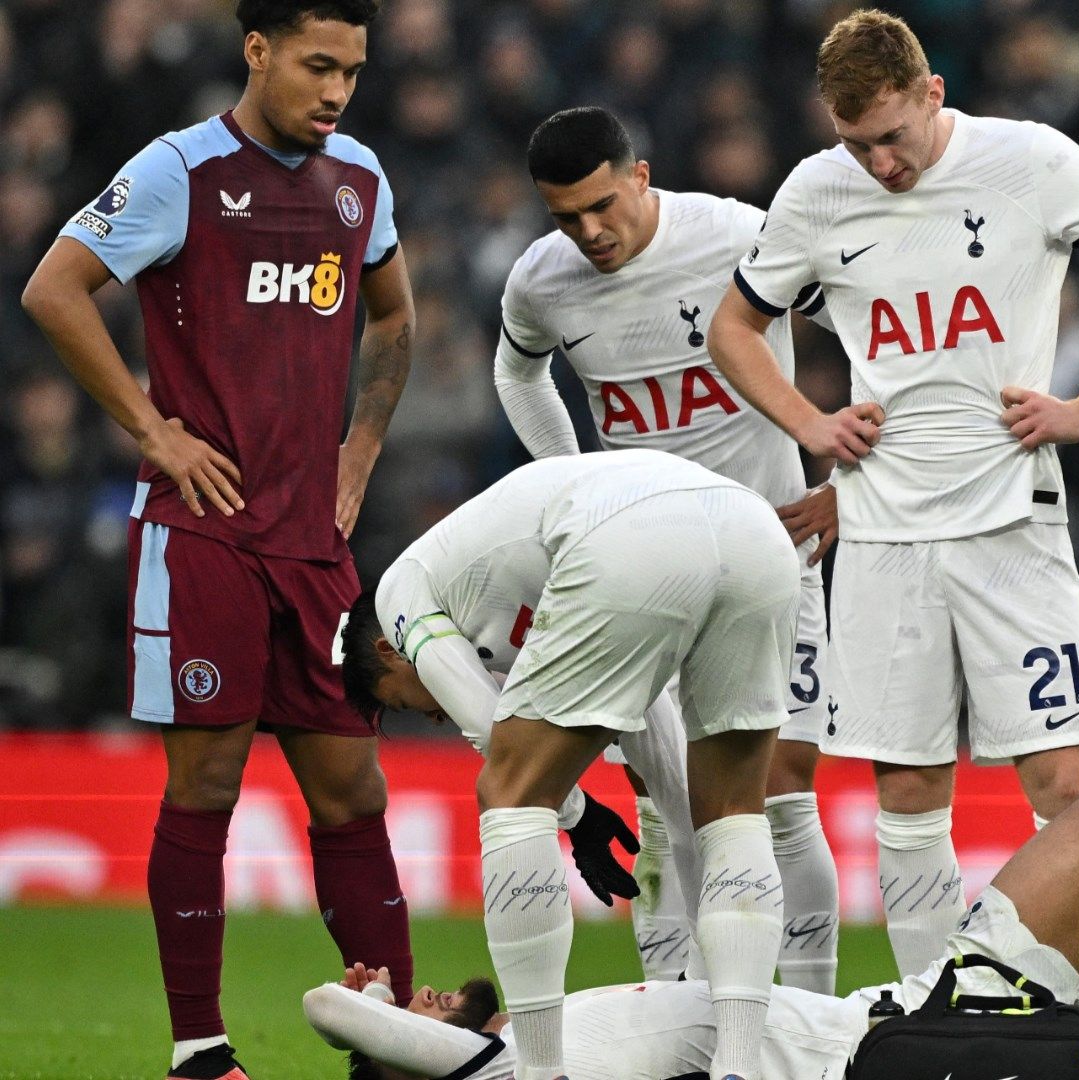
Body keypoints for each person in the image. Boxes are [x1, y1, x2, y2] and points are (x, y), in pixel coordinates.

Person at [706, 9, 1079, 1006]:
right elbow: (736, 328)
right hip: (881, 537)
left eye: (892, 134)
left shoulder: (1033, 162)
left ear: (933, 94)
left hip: (1014, 524)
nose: (879, 162)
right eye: (856, 142)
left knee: (1065, 787)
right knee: (911, 792)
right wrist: (813, 423)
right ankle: (931, 1022)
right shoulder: (815, 193)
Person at [19, 3, 414, 1078]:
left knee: (355, 794)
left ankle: (398, 1047)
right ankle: (200, 1052)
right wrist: (153, 430)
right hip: (204, 539)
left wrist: (361, 451)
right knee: (206, 786)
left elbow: (394, 319)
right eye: (317, 66)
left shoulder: (360, 180)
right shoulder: (178, 170)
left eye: (354, 71)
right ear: (258, 51)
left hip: (313, 548)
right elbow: (53, 289)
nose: (336, 91)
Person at [491, 105, 840, 993]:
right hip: (646, 576)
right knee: (662, 807)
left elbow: (871, 329)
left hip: (771, 553)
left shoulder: (737, 236)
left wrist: (851, 488)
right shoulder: (542, 281)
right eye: (565, 217)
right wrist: (574, 485)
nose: (590, 232)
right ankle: (674, 1012)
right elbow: (517, 368)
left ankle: (801, 1022)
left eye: (603, 205)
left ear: (641, 176)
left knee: (779, 793)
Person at [340, 449, 794, 1080]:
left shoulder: (400, 591)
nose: (432, 716)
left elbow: (485, 725)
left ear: (391, 652)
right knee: (726, 813)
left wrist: (574, 813)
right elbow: (666, 773)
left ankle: (542, 1073)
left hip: (634, 536)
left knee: (507, 799)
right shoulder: (506, 593)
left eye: (410, 703)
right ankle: (740, 1062)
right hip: (753, 531)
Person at [302, 782, 1079, 1080]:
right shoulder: (514, 1073)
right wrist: (372, 1000)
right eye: (412, 1029)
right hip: (892, 1050)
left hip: (907, 1007)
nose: (418, 998)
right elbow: (325, 1008)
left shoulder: (541, 1034)